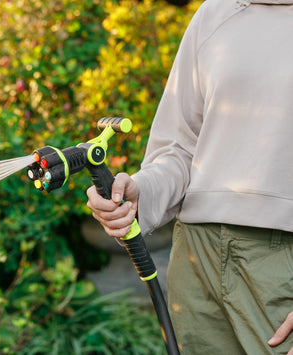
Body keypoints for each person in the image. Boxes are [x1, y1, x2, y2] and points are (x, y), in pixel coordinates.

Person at [86, 0, 293, 354]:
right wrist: (139, 194)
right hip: (195, 259)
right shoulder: (216, 13)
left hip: (280, 263)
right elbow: (181, 147)